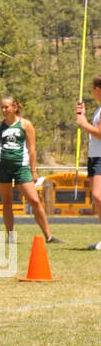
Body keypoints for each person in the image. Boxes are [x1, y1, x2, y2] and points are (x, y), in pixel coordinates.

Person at [0, 96, 57, 246]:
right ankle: (11, 236)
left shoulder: (25, 124)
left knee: (34, 200)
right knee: (7, 202)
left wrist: (33, 170)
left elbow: (32, 149)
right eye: (1, 107)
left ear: (15, 108)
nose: (3, 110)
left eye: (6, 107)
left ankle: (48, 236)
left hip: (21, 167)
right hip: (3, 166)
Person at [76, 76, 101, 249]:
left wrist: (83, 123)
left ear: (98, 89)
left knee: (98, 196)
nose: (92, 91)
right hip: (93, 157)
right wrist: (83, 116)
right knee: (96, 198)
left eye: (93, 88)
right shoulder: (98, 109)